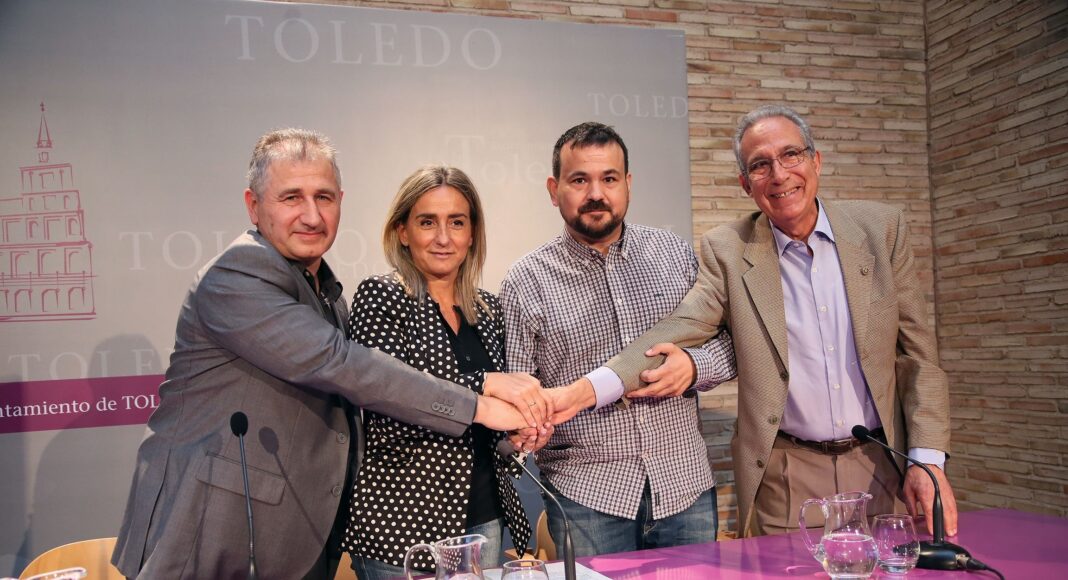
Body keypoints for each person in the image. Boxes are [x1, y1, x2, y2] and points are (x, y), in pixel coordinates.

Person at [111, 129, 545, 579]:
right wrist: (480, 403)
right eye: (291, 198)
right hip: (216, 530)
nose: (312, 215)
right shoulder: (237, 274)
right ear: (253, 205)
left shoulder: (326, 292)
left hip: (300, 531)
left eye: (323, 197)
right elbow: (342, 365)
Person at [551, 105, 958, 538]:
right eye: (760, 165)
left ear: (816, 161)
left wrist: (927, 459)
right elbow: (679, 327)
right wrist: (584, 392)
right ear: (746, 184)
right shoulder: (727, 250)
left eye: (791, 155)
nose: (779, 175)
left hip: (884, 463)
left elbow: (918, 357)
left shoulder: (882, 229)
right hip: (787, 476)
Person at [499, 122, 737, 556]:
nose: (596, 193)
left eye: (609, 178)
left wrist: (694, 366)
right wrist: (526, 426)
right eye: (579, 180)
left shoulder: (675, 254)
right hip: (587, 496)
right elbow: (520, 394)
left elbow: (732, 345)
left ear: (628, 184)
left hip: (685, 486)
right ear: (554, 190)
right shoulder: (525, 281)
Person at [342, 166, 547, 579]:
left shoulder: (488, 310)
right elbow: (390, 398)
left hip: (485, 516)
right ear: (402, 231)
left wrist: (520, 432)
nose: (443, 237)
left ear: (472, 234)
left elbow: (488, 421)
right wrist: (485, 383)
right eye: (427, 222)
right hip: (402, 526)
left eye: (456, 222)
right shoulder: (381, 296)